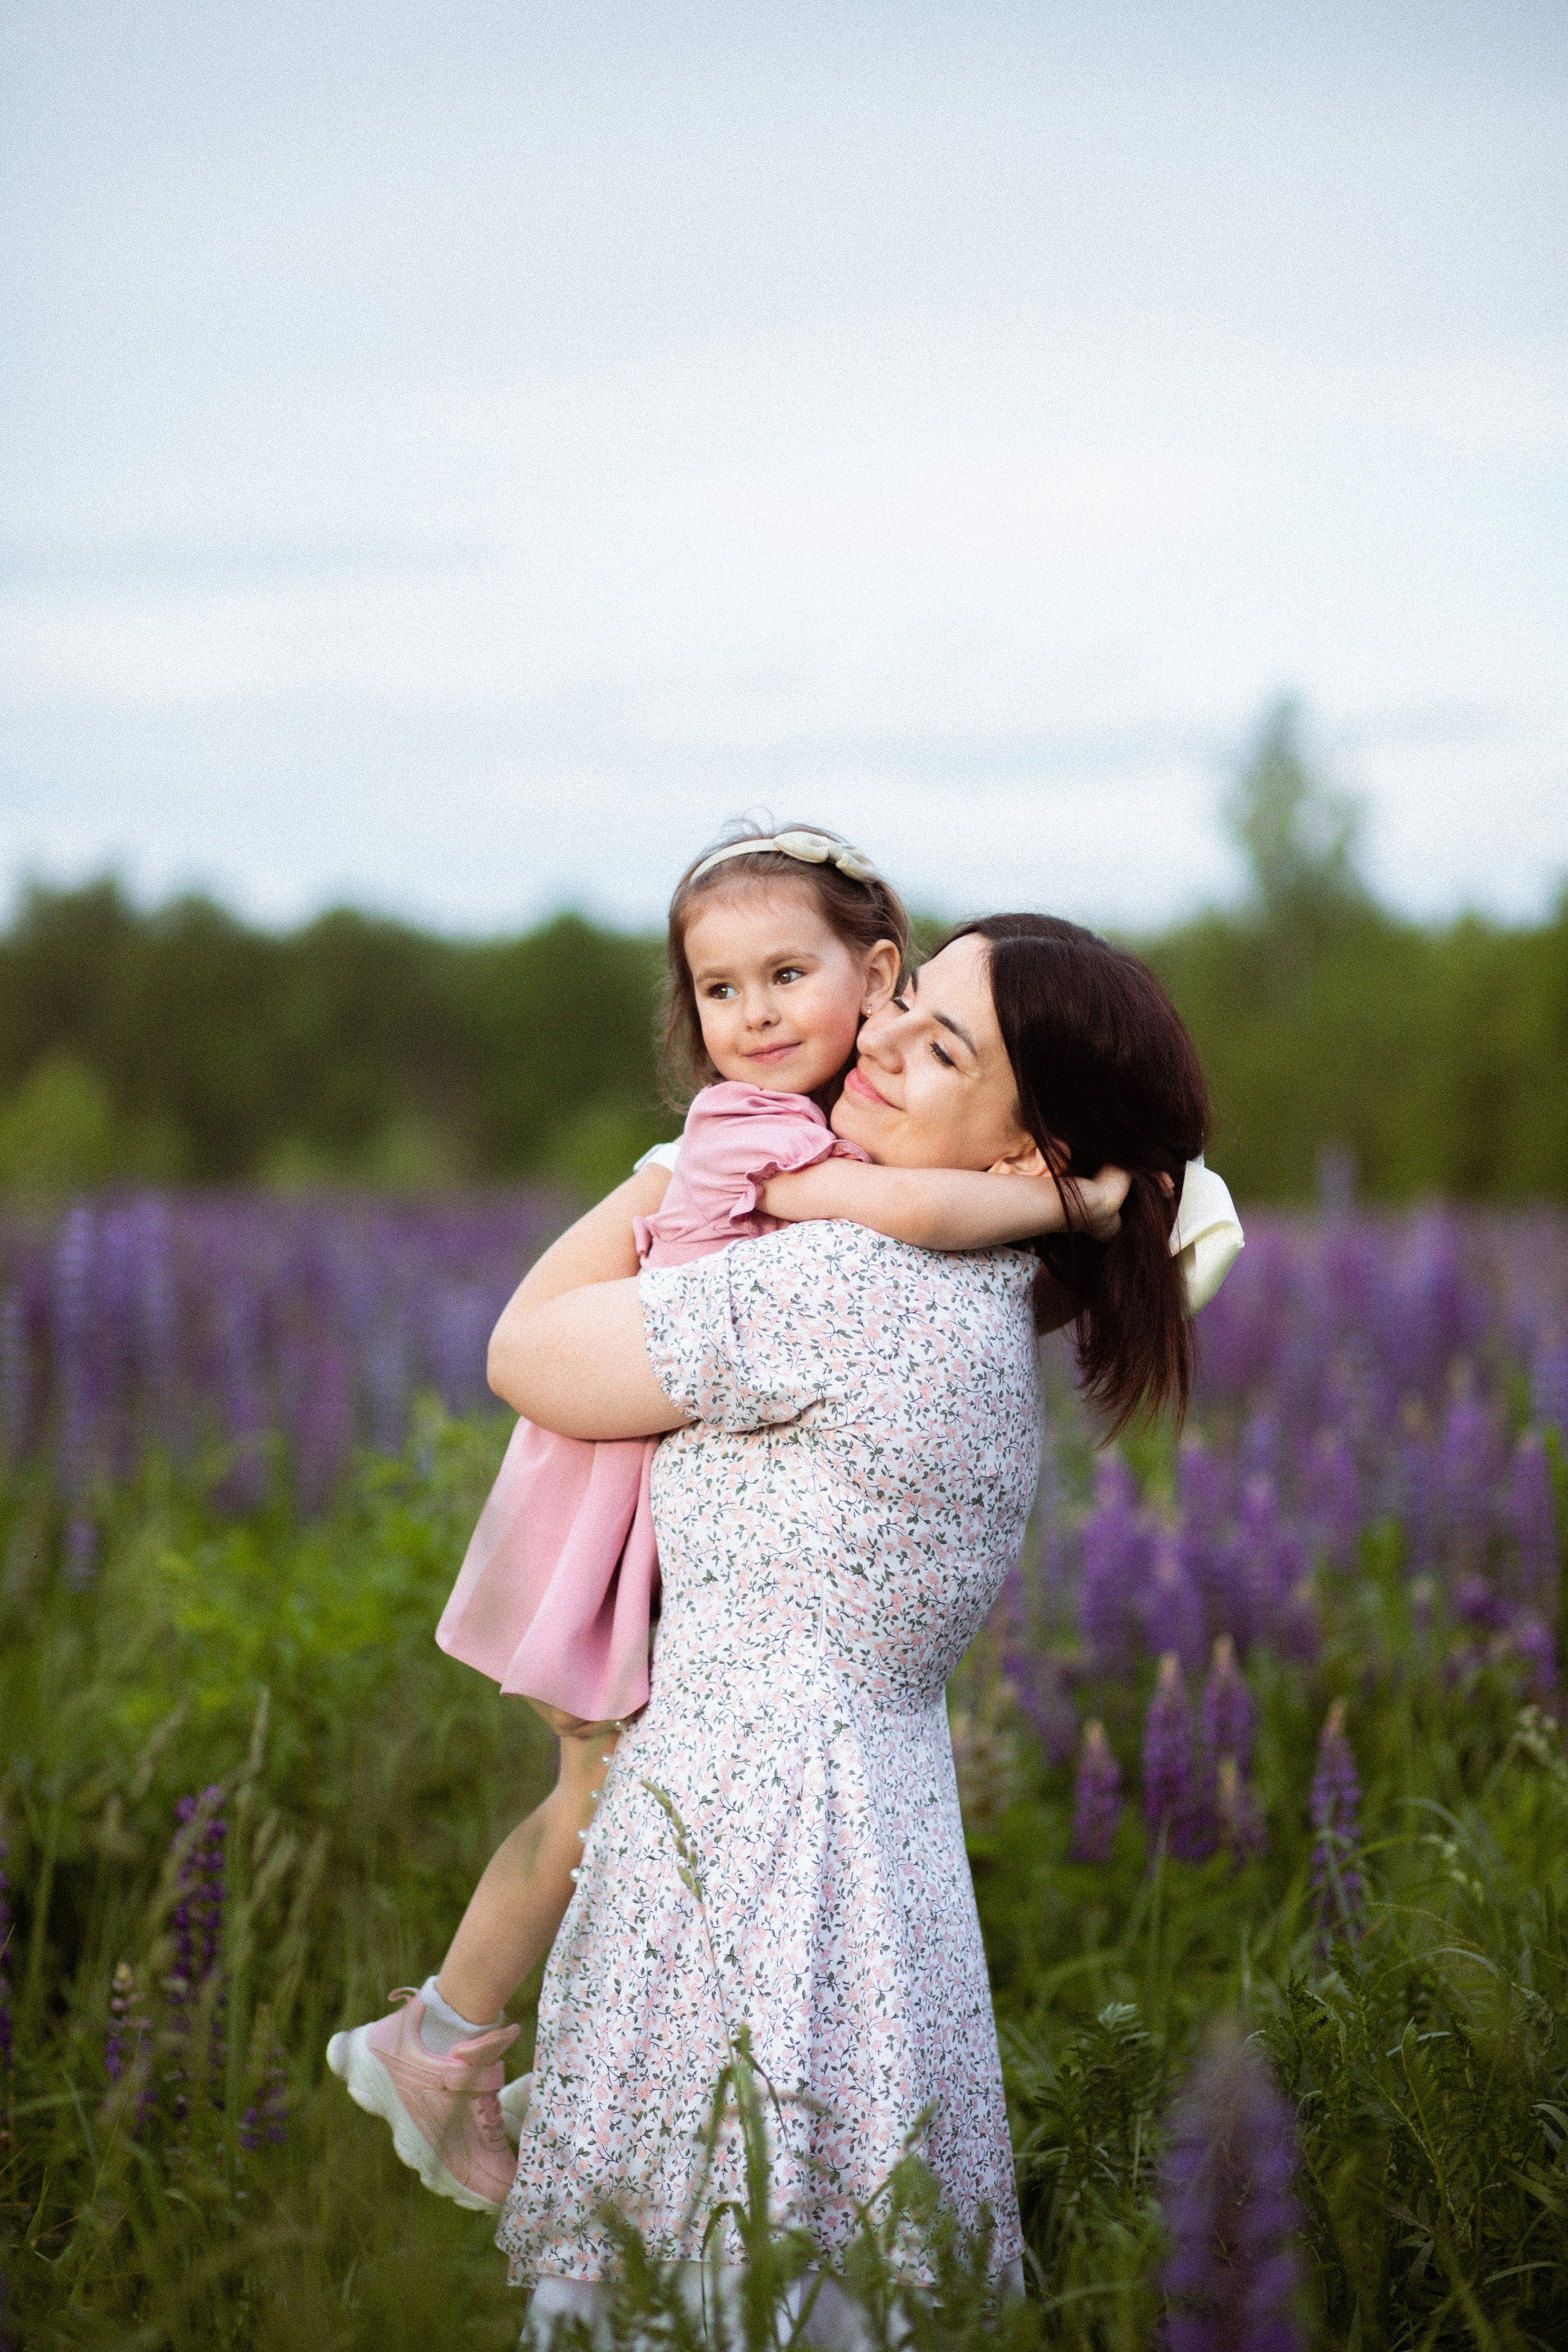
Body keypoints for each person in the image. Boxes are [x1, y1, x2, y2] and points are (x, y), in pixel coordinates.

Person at [326, 831, 1136, 2209]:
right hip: (619, 1467)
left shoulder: (843, 1187)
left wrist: (1054, 1215)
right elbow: (914, 1225)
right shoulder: (766, 1143)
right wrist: (1071, 1199)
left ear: (871, 975)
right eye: (719, 990)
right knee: (590, 1778)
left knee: (587, 1784)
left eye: (787, 977)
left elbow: (954, 1281)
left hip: (671, 1443)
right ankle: (441, 2035)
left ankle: (445, 2039)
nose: (754, 1015)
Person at [484, 908, 1227, 2334]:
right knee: (840, 2253)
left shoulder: (843, 1286)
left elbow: (525, 1352)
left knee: (707, 2264)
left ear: (1031, 1158)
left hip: (743, 1849)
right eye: (904, 1000)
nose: (872, 1036)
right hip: (871, 1851)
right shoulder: (978, 1289)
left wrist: (669, 1165)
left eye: (937, 1044)